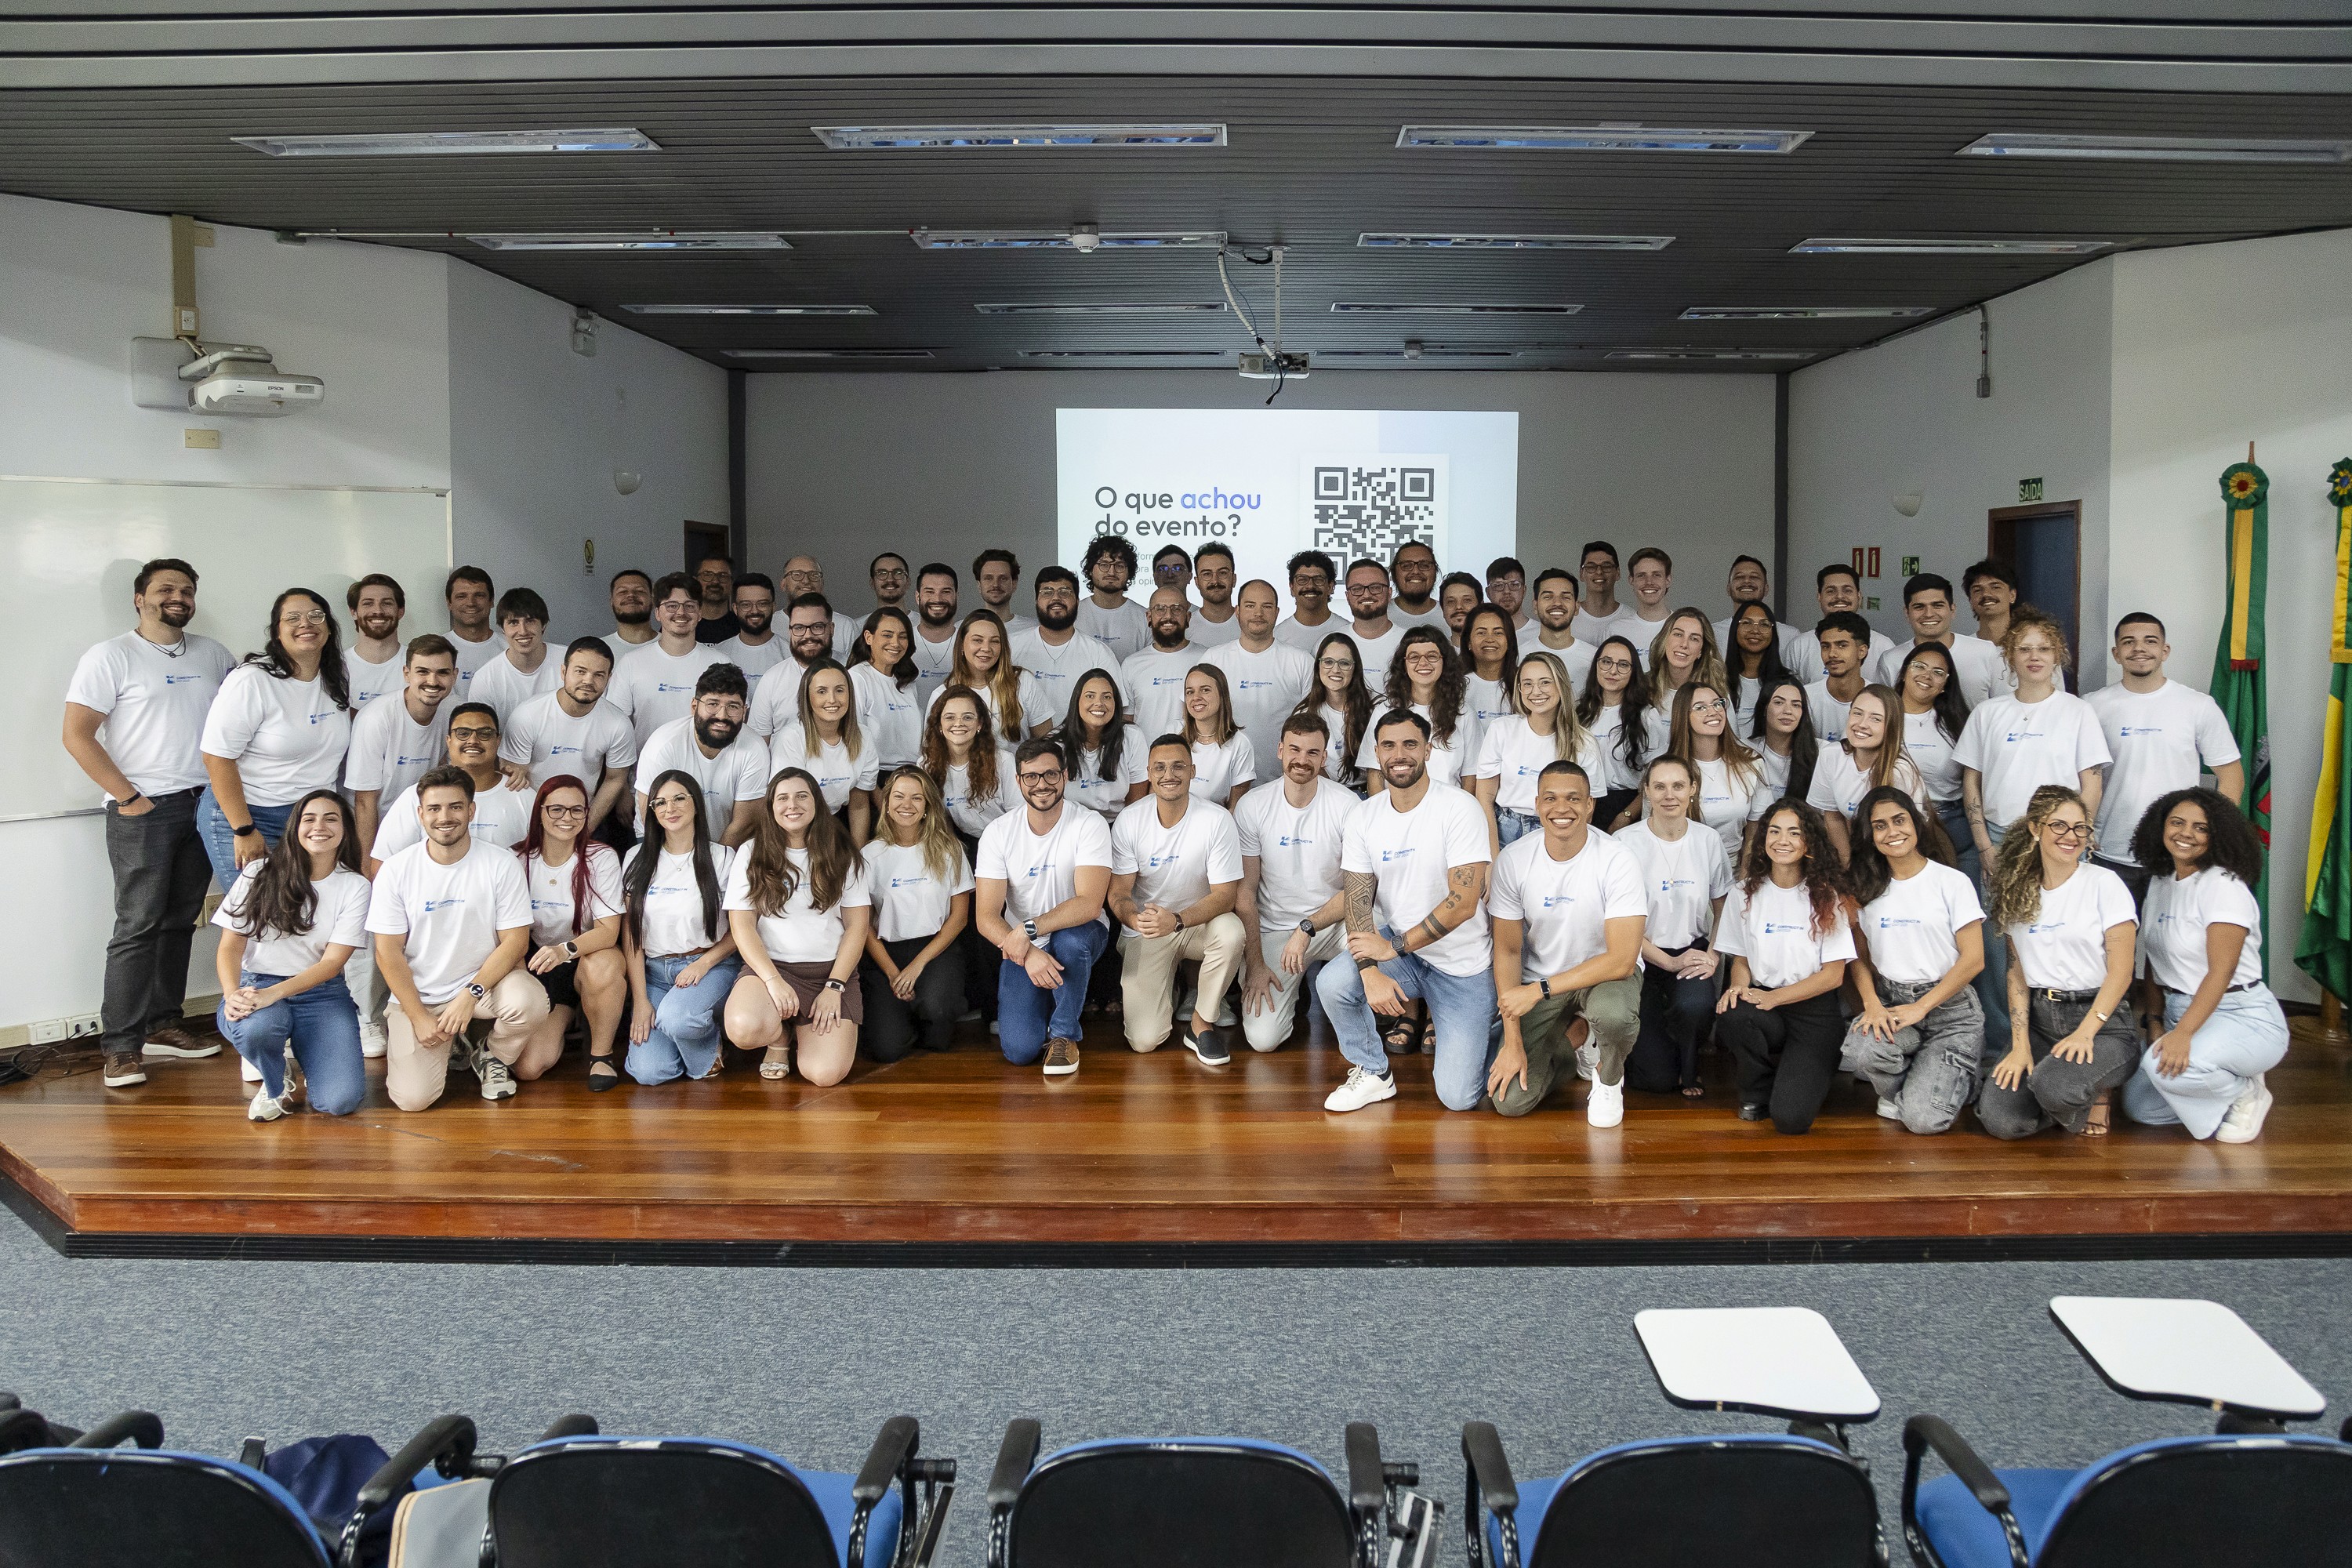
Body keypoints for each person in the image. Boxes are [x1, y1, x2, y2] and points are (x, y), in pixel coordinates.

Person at [64, 557, 238, 1085]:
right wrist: (129, 797)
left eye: (187, 589)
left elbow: (242, 717)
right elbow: (77, 734)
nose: (178, 597)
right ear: (140, 598)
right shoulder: (110, 656)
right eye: (166, 589)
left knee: (180, 920)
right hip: (144, 810)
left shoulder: (213, 653)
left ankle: (165, 1025)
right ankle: (120, 1046)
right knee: (137, 925)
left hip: (205, 805)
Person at [1319, 710, 1497, 1112]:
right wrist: (1369, 972)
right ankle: (1374, 1073)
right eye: (1389, 745)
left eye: (1410, 744)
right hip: (1406, 958)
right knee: (1335, 983)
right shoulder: (1364, 815)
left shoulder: (1460, 808)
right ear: (1377, 754)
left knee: (1457, 1099)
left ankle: (1494, 1023)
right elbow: (1357, 899)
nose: (1399, 754)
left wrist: (1392, 948)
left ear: (1429, 750)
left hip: (1462, 969)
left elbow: (1463, 904)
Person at [1957, 611, 2109, 1050]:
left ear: (2058, 654)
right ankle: (2000, 1045)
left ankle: (2050, 1037)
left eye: (2044, 648)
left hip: (2058, 840)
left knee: (2052, 935)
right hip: (2000, 838)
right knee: (1998, 941)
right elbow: (1973, 782)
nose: (2034, 657)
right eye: (2024, 648)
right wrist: (1984, 844)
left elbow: (2092, 782)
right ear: (2009, 656)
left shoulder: (2077, 712)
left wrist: (2074, 839)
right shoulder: (1989, 713)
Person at [367, 765, 547, 1110]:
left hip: (481, 989)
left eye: (455, 807)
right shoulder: (396, 869)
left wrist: (470, 994)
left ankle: (491, 1056)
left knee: (529, 1001)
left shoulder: (500, 863)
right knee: (413, 1101)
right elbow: (387, 953)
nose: (445, 817)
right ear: (420, 814)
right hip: (420, 995)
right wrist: (419, 1016)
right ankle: (447, 1046)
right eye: (434, 809)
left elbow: (515, 942)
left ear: (471, 810)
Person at [1485, 761, 1646, 1125]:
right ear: (1537, 804)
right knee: (1509, 1101)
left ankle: (1608, 1079)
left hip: (1605, 977)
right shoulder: (1514, 861)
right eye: (1551, 798)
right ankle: (1577, 1037)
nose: (1562, 808)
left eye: (1574, 799)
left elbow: (1622, 960)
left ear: (1590, 805)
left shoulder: (1617, 859)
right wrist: (1512, 1043)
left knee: (1614, 1016)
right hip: (1543, 979)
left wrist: (1538, 990)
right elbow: (1508, 951)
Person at [1975, 785, 2140, 1140]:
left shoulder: (2104, 884)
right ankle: (2063, 1084)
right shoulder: (2018, 889)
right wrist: (2020, 1046)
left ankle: (2095, 1089)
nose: (2072, 836)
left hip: (2102, 1021)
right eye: (2059, 826)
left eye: (2080, 827)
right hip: (2040, 1021)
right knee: (2000, 1121)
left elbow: (2123, 970)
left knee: (2054, 1086)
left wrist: (2085, 1033)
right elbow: (2017, 976)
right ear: (2036, 829)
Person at [2124, 788, 2286, 1142]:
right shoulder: (2162, 881)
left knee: (2158, 1065)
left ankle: (2245, 1090)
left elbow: (2221, 971)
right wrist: (2155, 1022)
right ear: (2160, 827)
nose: (2186, 834)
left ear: (2217, 836)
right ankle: (2218, 1086)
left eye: (2201, 828)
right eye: (2177, 823)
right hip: (2179, 1010)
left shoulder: (2223, 886)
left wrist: (2182, 1035)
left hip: (2241, 1014)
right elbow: (2153, 959)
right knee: (2141, 1108)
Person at [212, 789, 370, 1120]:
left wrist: (275, 994)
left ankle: (303, 1051)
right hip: (257, 983)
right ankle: (275, 1081)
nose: (319, 827)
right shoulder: (259, 873)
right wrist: (232, 995)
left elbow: (332, 964)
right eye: (309, 819)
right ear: (295, 827)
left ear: (345, 830)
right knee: (258, 1028)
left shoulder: (355, 886)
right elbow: (230, 946)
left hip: (321, 994)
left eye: (331, 818)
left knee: (340, 1102)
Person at [1841, 786, 1987, 1134]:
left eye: (1899, 820)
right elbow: (1857, 957)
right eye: (1880, 826)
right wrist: (1871, 1003)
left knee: (1923, 1122)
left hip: (1951, 1012)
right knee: (1862, 1050)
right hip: (1892, 1003)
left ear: (1917, 824)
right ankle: (1924, 1079)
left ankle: (1952, 1077)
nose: (1892, 832)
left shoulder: (1951, 881)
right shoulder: (1864, 886)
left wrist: (1922, 1008)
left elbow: (1974, 960)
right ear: (1870, 835)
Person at [198, 587, 355, 892]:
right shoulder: (252, 680)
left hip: (309, 820)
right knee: (262, 922)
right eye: (292, 618)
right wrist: (244, 829)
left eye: (315, 616)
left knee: (310, 916)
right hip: (249, 815)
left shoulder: (334, 677)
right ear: (277, 632)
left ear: (329, 627)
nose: (306, 624)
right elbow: (216, 757)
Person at [722, 767, 872, 1085]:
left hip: (829, 974)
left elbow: (857, 929)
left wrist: (835, 987)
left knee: (824, 1074)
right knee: (743, 1029)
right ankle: (779, 1037)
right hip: (772, 970)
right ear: (771, 806)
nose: (793, 805)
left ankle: (805, 1030)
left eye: (802, 796)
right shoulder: (751, 852)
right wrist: (773, 980)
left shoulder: (842, 852)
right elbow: (742, 925)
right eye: (783, 798)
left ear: (817, 802)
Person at [1713, 800, 1855, 1134]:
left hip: (1814, 1012)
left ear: (1809, 843)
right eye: (1774, 831)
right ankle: (1755, 1090)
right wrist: (1738, 987)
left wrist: (1776, 998)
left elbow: (1834, 976)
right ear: (1763, 838)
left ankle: (1808, 1070)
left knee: (1791, 1120)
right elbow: (1742, 958)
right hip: (1765, 1003)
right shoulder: (1743, 893)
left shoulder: (1828, 895)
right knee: (1735, 1012)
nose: (1782, 840)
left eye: (1794, 832)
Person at [975, 738, 1115, 1076]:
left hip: (1081, 932)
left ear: (1065, 776)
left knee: (1070, 941)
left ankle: (1065, 1034)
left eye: (1051, 774)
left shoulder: (1089, 824)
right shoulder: (998, 833)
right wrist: (1028, 951)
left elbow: (1090, 904)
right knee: (1019, 1050)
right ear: (1019, 781)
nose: (1042, 785)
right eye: (1032, 777)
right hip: (1024, 946)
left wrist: (1028, 929)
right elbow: (986, 917)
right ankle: (1045, 1015)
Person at [2085, 612, 2245, 902]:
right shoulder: (2091, 706)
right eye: (2128, 642)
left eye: (2150, 641)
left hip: (2179, 852)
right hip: (2108, 853)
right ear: (2116, 653)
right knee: (2109, 946)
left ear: (2165, 651)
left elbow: (2231, 775)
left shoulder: (2198, 706)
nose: (2139, 649)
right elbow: (2078, 776)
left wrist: (2211, 835)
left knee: (2173, 947)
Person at [1109, 737, 1247, 1062]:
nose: (1168, 774)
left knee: (1231, 932)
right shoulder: (1130, 819)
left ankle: (1201, 1025)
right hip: (1150, 930)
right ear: (1149, 772)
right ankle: (1165, 987)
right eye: (1159, 768)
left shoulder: (1216, 819)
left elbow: (1226, 895)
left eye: (1177, 766)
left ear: (1193, 771)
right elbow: (1118, 893)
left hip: (1197, 924)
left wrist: (1179, 919)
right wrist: (1134, 918)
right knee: (1145, 1040)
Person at [1235, 713, 1356, 1053]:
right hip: (1276, 930)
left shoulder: (1346, 805)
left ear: (1324, 757)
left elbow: (1358, 890)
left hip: (1332, 923)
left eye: (1313, 753)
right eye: (1295, 749)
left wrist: (1308, 928)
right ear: (1279, 751)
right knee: (1263, 1040)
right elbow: (1245, 893)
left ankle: (1351, 1005)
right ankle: (1294, 993)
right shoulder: (1253, 805)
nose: (1302, 760)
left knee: (1378, 936)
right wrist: (1256, 965)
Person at [1614, 757, 1732, 1099]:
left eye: (1678, 786)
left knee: (1694, 1006)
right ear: (1647, 791)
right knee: (1655, 1081)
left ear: (1693, 790)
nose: (1670, 795)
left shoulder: (1708, 840)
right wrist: (1666, 962)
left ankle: (1690, 1065)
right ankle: (1653, 1050)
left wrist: (1712, 955)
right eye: (1660, 787)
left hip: (1690, 950)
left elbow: (1724, 905)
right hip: (1639, 955)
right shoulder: (1624, 843)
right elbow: (1620, 922)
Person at [620, 769, 742, 1086]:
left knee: (678, 1019)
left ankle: (706, 1046)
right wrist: (640, 1001)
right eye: (660, 803)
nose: (669, 809)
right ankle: (679, 1031)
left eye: (678, 799)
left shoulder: (724, 857)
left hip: (710, 966)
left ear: (696, 805)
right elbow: (632, 935)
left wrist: (704, 963)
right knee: (651, 1073)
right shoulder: (636, 857)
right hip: (655, 975)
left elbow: (742, 930)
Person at [512, 775, 626, 1088]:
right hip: (539, 963)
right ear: (540, 812)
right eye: (557, 810)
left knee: (603, 965)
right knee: (528, 1067)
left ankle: (601, 1055)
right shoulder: (518, 859)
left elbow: (609, 931)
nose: (567, 818)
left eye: (577, 810)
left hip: (584, 953)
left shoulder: (600, 857)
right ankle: (569, 1016)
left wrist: (566, 950)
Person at [859, 766, 974, 1062]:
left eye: (916, 798)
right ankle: (900, 1013)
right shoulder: (869, 856)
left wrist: (917, 967)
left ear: (928, 807)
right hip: (886, 953)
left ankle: (932, 1006)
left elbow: (959, 918)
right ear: (885, 804)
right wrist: (893, 972)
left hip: (936, 950)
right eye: (897, 797)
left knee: (937, 1027)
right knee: (887, 1050)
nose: (906, 805)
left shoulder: (950, 850)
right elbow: (863, 926)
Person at [369, 702, 535, 866]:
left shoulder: (523, 796)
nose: (473, 741)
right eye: (463, 733)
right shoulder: (418, 796)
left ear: (498, 741)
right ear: (448, 740)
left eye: (484, 733)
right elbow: (383, 864)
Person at [501, 637, 637, 833]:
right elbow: (514, 777)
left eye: (599, 675)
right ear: (563, 671)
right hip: (530, 818)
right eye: (580, 671)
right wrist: (535, 829)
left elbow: (614, 779)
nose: (588, 681)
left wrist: (584, 829)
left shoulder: (618, 723)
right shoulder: (528, 715)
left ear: (609, 678)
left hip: (583, 816)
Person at [1475, 650, 1602, 848]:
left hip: (1558, 829)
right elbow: (1485, 796)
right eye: (1528, 684)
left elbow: (1587, 810)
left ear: (1561, 686)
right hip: (1504, 829)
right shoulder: (1501, 729)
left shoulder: (1584, 741)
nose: (1536, 691)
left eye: (1545, 682)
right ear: (1519, 689)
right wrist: (1492, 854)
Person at [346, 634, 459, 856]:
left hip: (424, 829)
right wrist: (368, 865)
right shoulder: (375, 719)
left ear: (454, 676)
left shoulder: (456, 711)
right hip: (375, 827)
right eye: (423, 672)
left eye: (442, 672)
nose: (433, 682)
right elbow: (365, 801)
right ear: (407, 674)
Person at [633, 663, 767, 847]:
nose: (722, 716)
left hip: (729, 846)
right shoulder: (663, 744)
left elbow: (744, 824)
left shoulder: (755, 747)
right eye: (713, 704)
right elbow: (652, 814)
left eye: (733, 706)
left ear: (744, 712)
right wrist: (687, 864)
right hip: (660, 840)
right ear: (694, 706)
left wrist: (715, 863)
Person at [1203, 579, 1316, 782]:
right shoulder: (1214, 659)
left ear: (1277, 612)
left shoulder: (1301, 661)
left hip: (1285, 783)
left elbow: (1313, 725)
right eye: (1250, 606)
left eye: (1267, 606)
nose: (1258, 613)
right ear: (1237, 611)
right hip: (1222, 783)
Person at [608, 572, 724, 753]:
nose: (681, 612)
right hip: (647, 774)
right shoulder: (631, 663)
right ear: (657, 613)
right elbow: (616, 727)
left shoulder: (720, 663)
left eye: (689, 606)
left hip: (707, 773)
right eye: (671, 606)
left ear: (700, 613)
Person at [1806, 683, 1924, 860]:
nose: (1862, 724)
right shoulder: (1831, 755)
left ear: (1891, 726)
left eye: (1875, 719)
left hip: (1897, 856)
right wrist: (1847, 866)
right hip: (1856, 853)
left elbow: (1910, 836)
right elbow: (1832, 816)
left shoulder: (1901, 771)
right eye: (1857, 713)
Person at [769, 658, 879, 841]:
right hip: (796, 826)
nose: (832, 700)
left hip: (837, 821)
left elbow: (859, 805)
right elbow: (790, 806)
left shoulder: (863, 736)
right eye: (822, 691)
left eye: (840, 690)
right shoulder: (791, 738)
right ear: (807, 697)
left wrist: (858, 856)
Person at [1360, 626, 1477, 795]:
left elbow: (1470, 776)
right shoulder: (1384, 711)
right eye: (1414, 657)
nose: (1423, 663)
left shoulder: (1464, 713)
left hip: (1449, 811)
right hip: (1398, 811)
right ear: (1404, 664)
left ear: (1444, 662)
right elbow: (1375, 772)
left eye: (1432, 656)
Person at [1894, 642, 1976, 879]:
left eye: (1938, 672)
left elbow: (1974, 780)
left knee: (1965, 908)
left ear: (1945, 685)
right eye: (1919, 666)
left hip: (1952, 823)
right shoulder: (1881, 713)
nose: (1927, 675)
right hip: (1898, 824)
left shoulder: (1958, 722)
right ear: (1904, 672)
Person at [1670, 681, 1769, 861]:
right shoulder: (1666, 769)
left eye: (1717, 704)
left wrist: (1744, 878)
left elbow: (1756, 830)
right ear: (1683, 716)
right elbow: (1653, 829)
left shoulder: (1751, 762)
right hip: (1682, 865)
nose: (1713, 711)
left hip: (1734, 866)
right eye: (1700, 707)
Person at [1015, 565, 1131, 714]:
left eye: (1064, 592)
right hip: (1024, 738)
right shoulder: (1012, 646)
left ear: (1077, 601)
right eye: (1047, 592)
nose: (1056, 598)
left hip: (1080, 738)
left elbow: (1114, 711)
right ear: (1036, 601)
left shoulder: (1098, 653)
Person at [1877, 572, 2004, 704]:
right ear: (1907, 613)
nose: (1929, 614)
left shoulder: (1986, 652)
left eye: (1937, 605)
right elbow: (1887, 712)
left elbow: (2005, 709)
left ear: (1952, 610)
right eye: (1919, 607)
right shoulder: (1890, 660)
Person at [929, 609, 1047, 744]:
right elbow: (932, 751)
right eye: (978, 640)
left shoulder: (1022, 682)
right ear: (961, 645)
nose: (986, 648)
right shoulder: (942, 694)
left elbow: (1045, 743)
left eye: (994, 641)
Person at [924, 686, 1018, 843]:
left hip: (1005, 842)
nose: (958, 724)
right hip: (960, 842)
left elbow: (1019, 816)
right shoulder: (926, 764)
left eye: (968, 717)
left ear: (980, 724)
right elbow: (937, 819)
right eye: (950, 717)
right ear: (939, 725)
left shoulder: (1003, 761)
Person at [745, 593, 847, 735]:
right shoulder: (772, 679)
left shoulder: (852, 670)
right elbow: (759, 742)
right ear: (790, 631)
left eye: (817, 627)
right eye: (799, 628)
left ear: (831, 629)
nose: (808, 635)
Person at [1577, 635, 1649, 829]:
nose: (1613, 671)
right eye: (1606, 662)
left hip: (1626, 805)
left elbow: (1655, 777)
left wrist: (1625, 816)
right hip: (1583, 802)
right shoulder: (1578, 713)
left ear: (1633, 672)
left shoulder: (1646, 716)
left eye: (1623, 665)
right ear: (1596, 666)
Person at [1056, 670, 1146, 824]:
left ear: (1115, 703)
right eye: (1090, 696)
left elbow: (1136, 800)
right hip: (1071, 825)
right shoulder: (1056, 743)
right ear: (1077, 701)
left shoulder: (1132, 736)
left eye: (1107, 697)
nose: (1099, 703)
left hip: (1119, 824)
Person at [1639, 608, 1726, 760]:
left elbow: (1729, 745)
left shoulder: (1715, 694)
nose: (1684, 644)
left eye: (1694, 639)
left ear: (1701, 651)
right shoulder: (1640, 688)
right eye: (1678, 634)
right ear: (1665, 639)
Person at [848, 606, 925, 769]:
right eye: (887, 635)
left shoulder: (907, 681)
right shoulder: (857, 677)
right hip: (875, 776)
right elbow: (853, 742)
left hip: (911, 774)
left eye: (902, 637)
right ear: (869, 637)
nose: (895, 643)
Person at [467, 588, 560, 724]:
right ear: (503, 629)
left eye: (530, 621)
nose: (523, 631)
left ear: (543, 625)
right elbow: (480, 733)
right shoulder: (485, 679)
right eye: (513, 623)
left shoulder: (570, 663)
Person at [1123, 586, 1202, 740]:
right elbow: (1127, 724)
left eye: (1177, 609)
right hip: (1145, 761)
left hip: (1196, 760)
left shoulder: (1207, 658)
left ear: (1188, 617)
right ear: (1148, 617)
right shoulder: (1131, 664)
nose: (1168, 616)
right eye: (1160, 609)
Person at [1794, 564, 1894, 683]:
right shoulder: (1799, 646)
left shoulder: (1884, 646)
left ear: (1859, 597)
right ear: (1819, 597)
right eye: (1831, 591)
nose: (1840, 596)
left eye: (1847, 591)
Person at [1297, 633, 1372, 793]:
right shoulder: (1305, 713)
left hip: (1369, 793)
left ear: (1355, 668)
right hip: (1327, 794)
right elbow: (1308, 762)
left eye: (1344, 663)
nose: (1336, 670)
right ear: (1318, 666)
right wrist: (1338, 797)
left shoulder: (1375, 707)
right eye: (1328, 662)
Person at [1179, 664, 1257, 808]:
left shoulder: (1240, 744)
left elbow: (1235, 809)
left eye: (1205, 690)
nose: (1196, 697)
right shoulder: (1174, 736)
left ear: (1222, 695)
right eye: (1190, 692)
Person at [1710, 557, 1806, 667]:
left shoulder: (1790, 635)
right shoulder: (1712, 633)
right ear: (1728, 588)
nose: (1746, 581)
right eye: (1739, 577)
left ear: (1766, 589)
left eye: (1754, 577)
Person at [1725, 599, 1801, 735]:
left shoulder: (1787, 683)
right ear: (1735, 629)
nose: (1755, 630)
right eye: (1747, 623)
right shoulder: (1718, 681)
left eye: (1764, 624)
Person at [1804, 611, 1872, 746]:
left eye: (1842, 645)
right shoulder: (1805, 696)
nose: (1832, 654)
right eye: (1825, 646)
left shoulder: (1879, 700)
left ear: (1862, 651)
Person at [1749, 676, 1820, 804]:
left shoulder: (1821, 752)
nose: (1788, 711)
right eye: (1779, 703)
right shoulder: (1746, 750)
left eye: (1796, 705)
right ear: (1764, 708)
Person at [1076, 536, 1148, 661]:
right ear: (1090, 570)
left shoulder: (1144, 617)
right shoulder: (1073, 614)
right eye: (1104, 565)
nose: (1111, 572)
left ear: (1129, 572)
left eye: (1120, 566)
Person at [343, 573, 408, 710]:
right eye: (368, 603)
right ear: (354, 612)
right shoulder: (336, 668)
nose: (378, 610)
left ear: (400, 612)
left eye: (387, 603)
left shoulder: (419, 665)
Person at [779, 555, 864, 659]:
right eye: (797, 575)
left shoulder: (846, 626)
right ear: (783, 584)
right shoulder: (772, 624)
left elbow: (856, 668)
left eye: (814, 575)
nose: (806, 580)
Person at [1459, 603, 1520, 739]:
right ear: (1469, 642)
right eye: (1481, 632)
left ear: (1509, 641)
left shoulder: (1524, 684)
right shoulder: (1455, 685)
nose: (1490, 639)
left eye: (1498, 633)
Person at [1341, 558, 1404, 688]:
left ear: (1389, 593)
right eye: (1357, 589)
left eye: (1376, 587)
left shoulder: (1409, 642)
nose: (1366, 595)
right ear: (1347, 597)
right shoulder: (1330, 642)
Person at [442, 566, 506, 693]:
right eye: (461, 596)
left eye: (479, 595)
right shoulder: (438, 649)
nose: (471, 603)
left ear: (491, 601)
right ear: (449, 603)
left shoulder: (510, 647)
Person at [1528, 568, 1598, 681]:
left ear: (1576, 607)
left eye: (1565, 597)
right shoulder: (1518, 658)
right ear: (1535, 606)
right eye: (1548, 597)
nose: (1557, 603)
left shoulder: (1595, 659)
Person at [715, 572, 786, 684]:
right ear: (735, 608)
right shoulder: (719, 654)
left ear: (773, 607)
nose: (754, 611)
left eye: (762, 604)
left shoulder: (790, 654)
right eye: (746, 605)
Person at [909, 562, 962, 695]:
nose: (938, 599)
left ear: (956, 596)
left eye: (946, 592)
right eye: (930, 592)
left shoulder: (970, 644)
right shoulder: (901, 643)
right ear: (917, 597)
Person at [1274, 550, 1341, 652]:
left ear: (1330, 587)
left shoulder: (1345, 632)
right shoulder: (1276, 637)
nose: (1310, 585)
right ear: (1292, 587)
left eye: (1318, 579)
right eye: (1302, 580)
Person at [1573, 541, 1630, 644]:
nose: (1599, 572)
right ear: (1581, 574)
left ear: (1618, 573)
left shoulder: (1630, 618)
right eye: (1591, 567)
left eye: (1607, 566)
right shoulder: (1568, 618)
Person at [972, 547, 1035, 637]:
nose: (996, 584)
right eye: (989, 578)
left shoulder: (1033, 629)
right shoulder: (962, 629)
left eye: (1003, 578)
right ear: (979, 585)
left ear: (1014, 584)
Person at [1189, 542, 1243, 646]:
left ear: (1234, 579)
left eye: (1222, 573)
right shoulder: (1185, 627)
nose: (1215, 581)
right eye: (1207, 574)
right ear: (1197, 582)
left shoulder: (1250, 624)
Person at [1619, 546, 1675, 645]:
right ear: (1631, 581)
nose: (1649, 582)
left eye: (1656, 575)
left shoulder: (1684, 628)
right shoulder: (1616, 630)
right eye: (1641, 575)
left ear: (1668, 581)